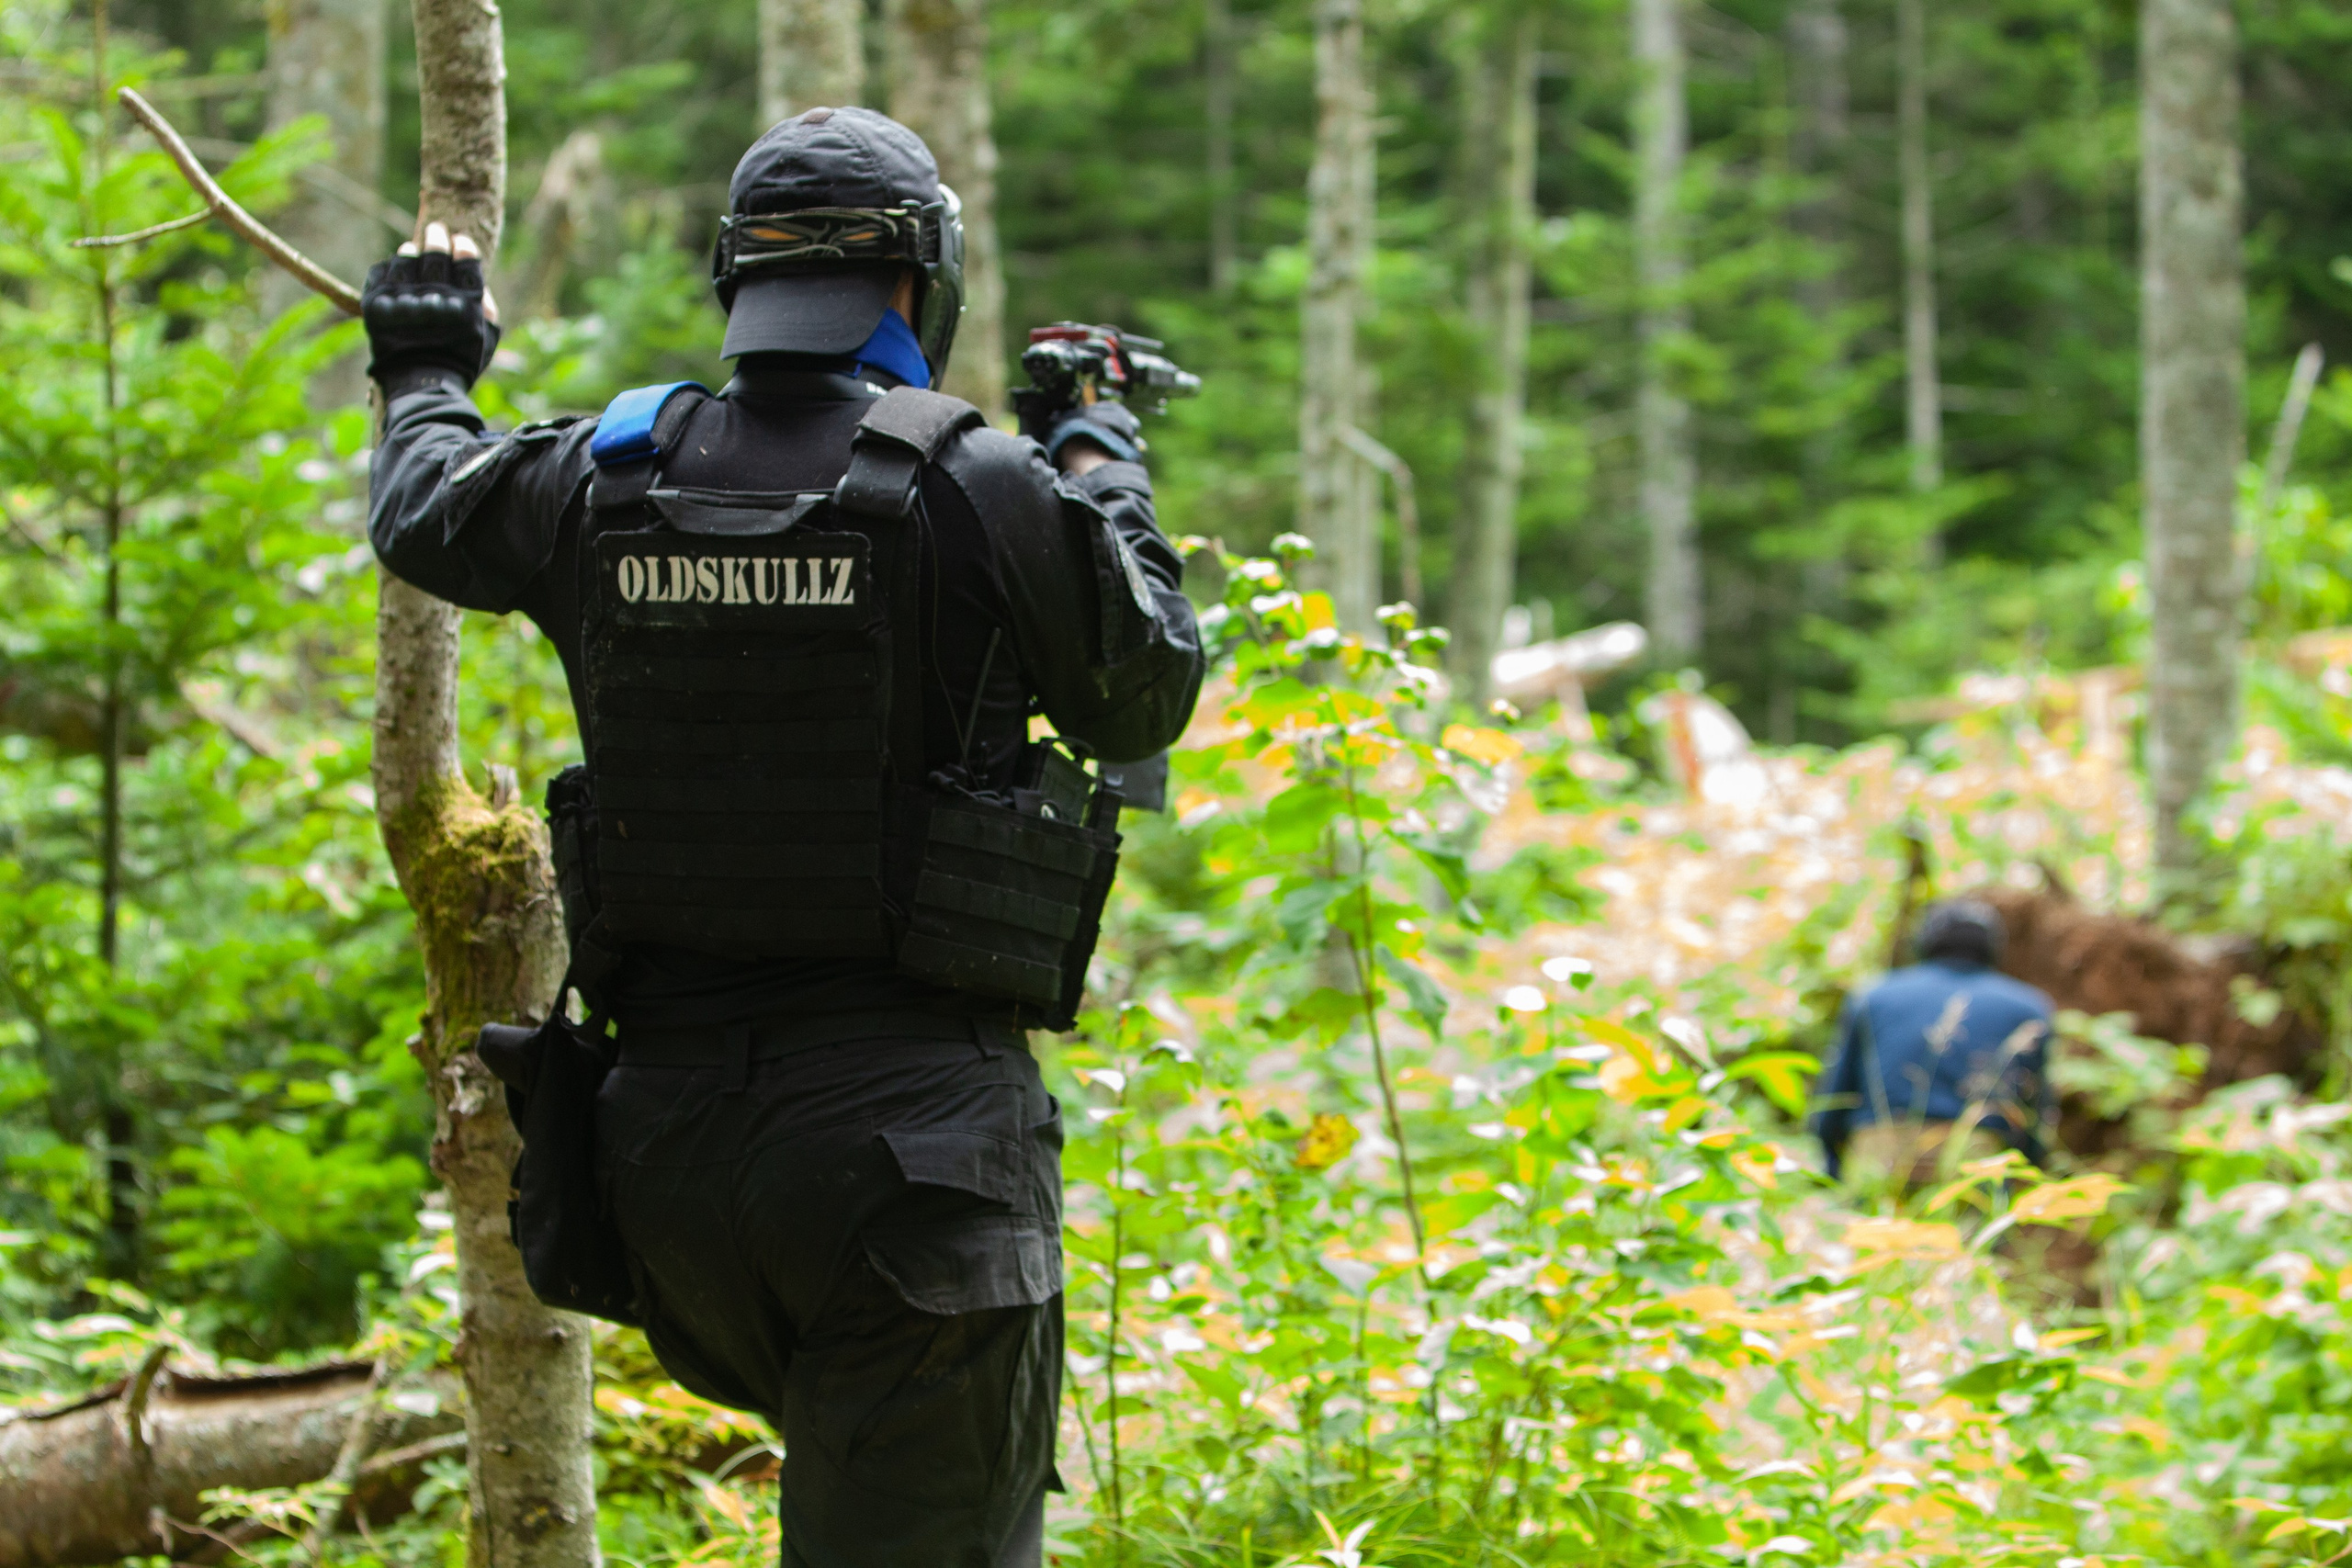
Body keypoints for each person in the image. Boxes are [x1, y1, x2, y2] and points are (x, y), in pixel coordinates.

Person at [364, 107, 1204, 1568]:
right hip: (913, 1176)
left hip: (665, 1176)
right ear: (918, 280)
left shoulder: (606, 474)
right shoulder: (983, 481)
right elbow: (1146, 683)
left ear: (737, 276)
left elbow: (421, 505)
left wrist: (427, 363)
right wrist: (1100, 448)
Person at [1813, 899, 2056, 1189]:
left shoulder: (1872, 997)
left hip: (1881, 1152)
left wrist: (1831, 1166)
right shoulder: (2028, 1008)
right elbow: (2035, 1113)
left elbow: (1836, 1094)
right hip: (1974, 1156)